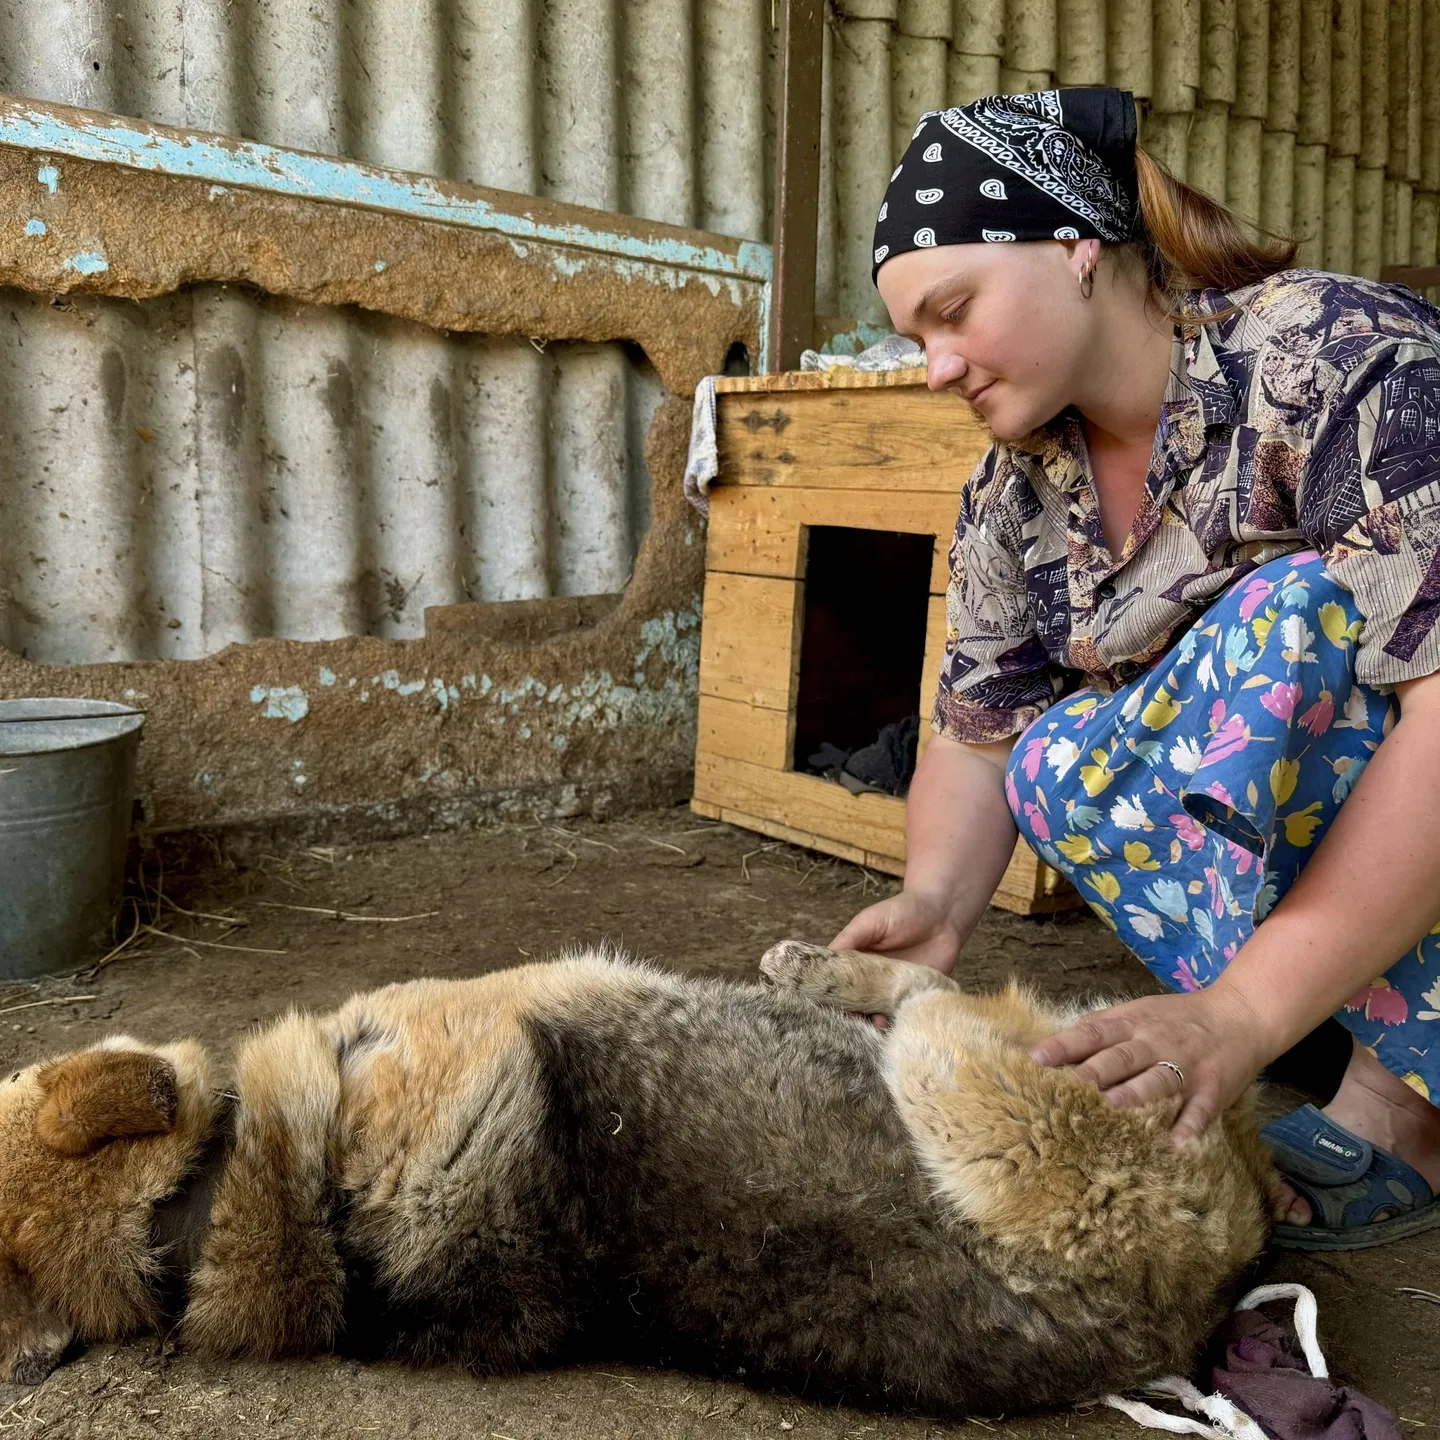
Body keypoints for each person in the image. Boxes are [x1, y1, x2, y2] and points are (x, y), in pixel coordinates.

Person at [837, 86, 1440, 1249]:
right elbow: (978, 735)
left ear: (1074, 247)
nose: (934, 367)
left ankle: (1402, 1108)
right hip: (1349, 918)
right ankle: (1329, 1015)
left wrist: (1236, 1013)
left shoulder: (1339, 357)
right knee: (1057, 756)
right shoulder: (1015, 489)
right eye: (916, 339)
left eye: (953, 312)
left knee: (1290, 622)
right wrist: (934, 904)